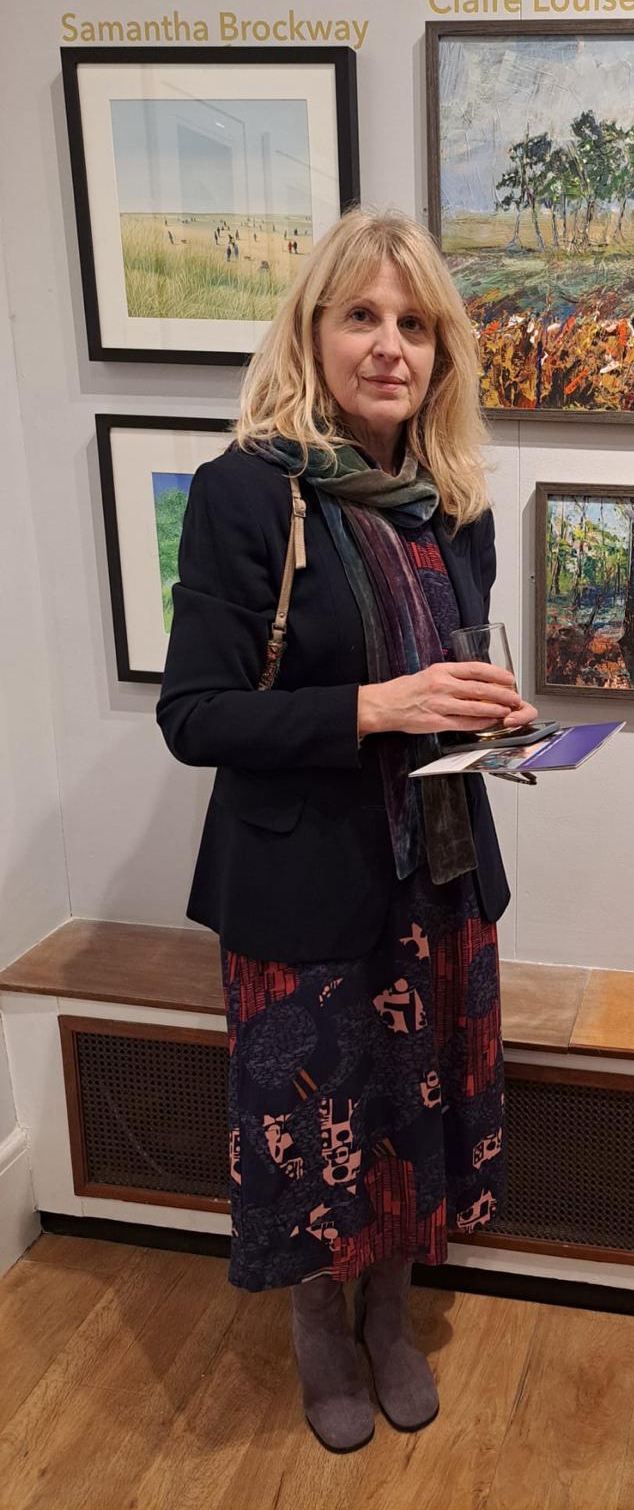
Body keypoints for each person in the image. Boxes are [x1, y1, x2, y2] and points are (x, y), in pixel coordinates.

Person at [157, 208, 537, 1453]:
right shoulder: (245, 494)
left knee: (412, 1111)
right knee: (318, 1128)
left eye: (415, 324)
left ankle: (390, 1309)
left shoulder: (455, 508)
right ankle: (318, 1321)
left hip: (438, 874)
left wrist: (499, 722)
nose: (390, 345)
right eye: (363, 317)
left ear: (441, 352)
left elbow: (450, 681)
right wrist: (380, 705)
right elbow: (195, 715)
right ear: (312, 332)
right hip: (304, 886)